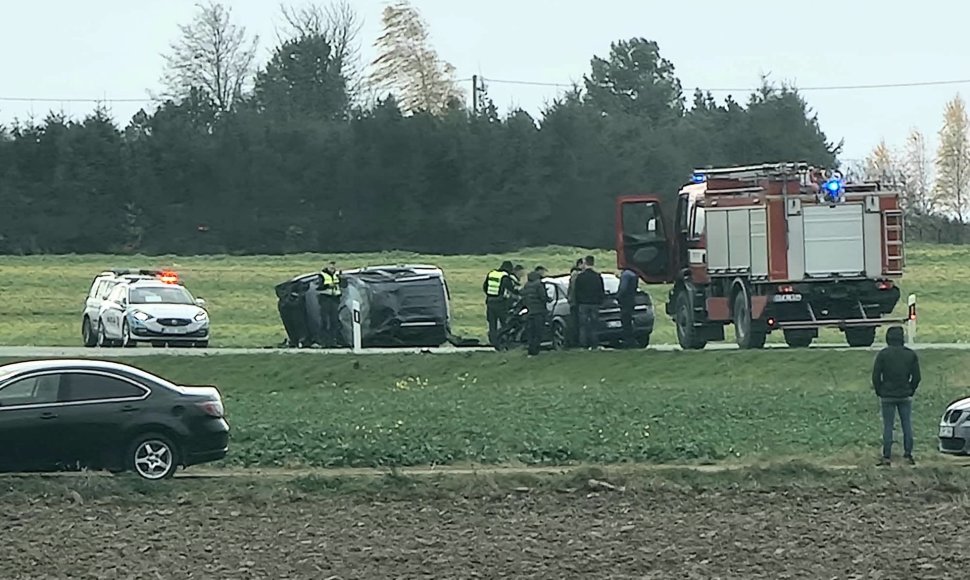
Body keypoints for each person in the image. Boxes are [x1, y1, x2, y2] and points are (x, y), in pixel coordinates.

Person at [872, 326, 921, 466]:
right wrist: (911, 389)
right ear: (902, 338)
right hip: (905, 394)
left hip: (887, 394)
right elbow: (917, 377)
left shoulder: (883, 354)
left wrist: (879, 390)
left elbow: (876, 376)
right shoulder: (910, 355)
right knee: (907, 425)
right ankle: (908, 455)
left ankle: (886, 456)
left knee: (888, 426)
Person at [573, 255, 605, 350]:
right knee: (594, 324)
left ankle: (583, 344)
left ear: (585, 263)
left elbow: (576, 291)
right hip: (594, 303)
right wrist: (600, 301)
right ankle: (594, 343)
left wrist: (577, 301)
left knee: (583, 325)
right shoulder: (597, 276)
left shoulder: (580, 277)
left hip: (583, 304)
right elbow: (601, 290)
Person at [483, 261, 516, 346]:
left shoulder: (491, 274)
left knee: (492, 324)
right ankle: (503, 341)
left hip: (490, 302)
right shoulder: (505, 277)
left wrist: (490, 294)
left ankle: (493, 342)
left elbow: (485, 287)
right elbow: (511, 289)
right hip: (500, 303)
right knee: (505, 323)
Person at [521, 270, 551, 356]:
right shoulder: (539, 285)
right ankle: (536, 350)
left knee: (531, 332)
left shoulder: (526, 286)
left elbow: (524, 297)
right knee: (538, 331)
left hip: (530, 311)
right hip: (539, 311)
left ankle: (531, 350)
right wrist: (548, 299)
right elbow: (543, 297)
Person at [319, 261, 343, 348]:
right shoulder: (322, 275)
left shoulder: (337, 275)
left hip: (335, 299)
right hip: (325, 299)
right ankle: (324, 342)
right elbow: (319, 286)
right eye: (331, 267)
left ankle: (334, 341)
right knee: (325, 321)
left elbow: (343, 285)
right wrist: (328, 285)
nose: (333, 269)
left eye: (334, 267)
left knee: (335, 321)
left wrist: (341, 277)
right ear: (327, 267)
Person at [617, 267, 639, 348]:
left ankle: (628, 340)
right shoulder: (634, 274)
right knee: (629, 320)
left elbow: (623, 288)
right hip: (631, 300)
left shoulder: (626, 275)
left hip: (625, 301)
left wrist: (618, 296)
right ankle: (631, 340)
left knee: (625, 320)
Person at [566, 258, 584, 346]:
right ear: (580, 264)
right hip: (576, 302)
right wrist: (574, 301)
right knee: (577, 323)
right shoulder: (576, 275)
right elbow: (573, 289)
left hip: (574, 302)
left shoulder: (575, 274)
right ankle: (577, 342)